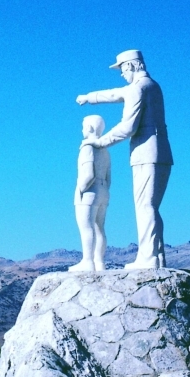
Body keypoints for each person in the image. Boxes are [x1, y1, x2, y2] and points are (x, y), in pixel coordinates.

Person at [76, 50, 173, 269]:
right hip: (160, 152)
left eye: (122, 68)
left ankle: (148, 258)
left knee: (145, 207)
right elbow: (115, 94)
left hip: (146, 154)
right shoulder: (152, 86)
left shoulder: (138, 88)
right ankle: (156, 256)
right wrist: (89, 98)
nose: (121, 73)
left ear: (131, 65)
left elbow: (128, 127)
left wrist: (101, 142)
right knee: (151, 206)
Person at [69, 115, 110, 272]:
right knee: (100, 227)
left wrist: (80, 189)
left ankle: (88, 261)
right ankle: (99, 262)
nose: (82, 129)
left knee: (86, 227)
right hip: (103, 190)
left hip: (89, 191)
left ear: (90, 128)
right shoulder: (105, 151)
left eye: (84, 126)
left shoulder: (87, 147)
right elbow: (109, 177)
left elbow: (89, 174)